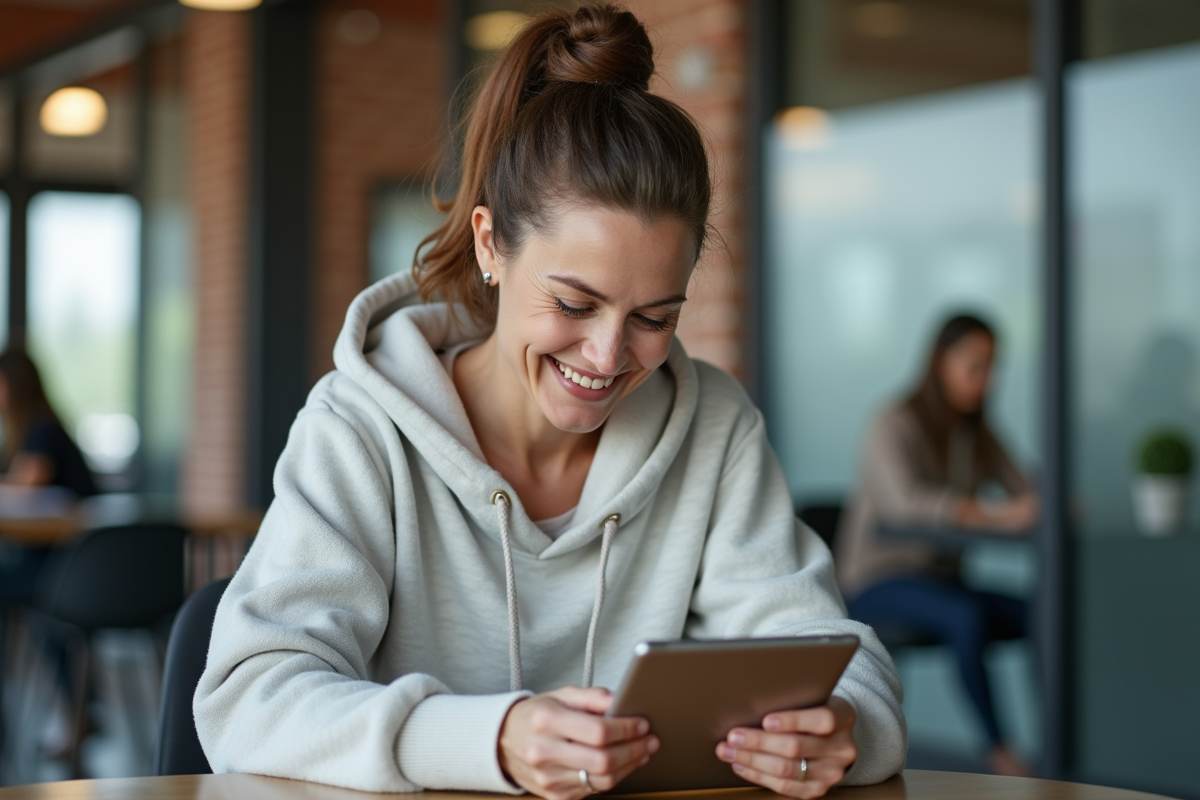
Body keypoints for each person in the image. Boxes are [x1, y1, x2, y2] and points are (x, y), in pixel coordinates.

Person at [195, 6, 905, 799]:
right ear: (491, 244)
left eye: (654, 318)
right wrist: (490, 739)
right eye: (573, 305)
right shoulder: (359, 430)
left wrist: (846, 725)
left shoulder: (712, 425)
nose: (607, 358)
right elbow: (248, 700)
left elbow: (831, 652)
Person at [834, 314, 1037, 777]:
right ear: (941, 363)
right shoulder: (893, 422)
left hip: (941, 580)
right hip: (877, 581)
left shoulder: (976, 432)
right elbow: (905, 504)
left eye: (992, 367)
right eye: (974, 365)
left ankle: (1061, 739)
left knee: (1042, 611)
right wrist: (995, 513)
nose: (986, 380)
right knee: (968, 618)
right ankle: (999, 750)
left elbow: (1021, 488)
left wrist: (1048, 499)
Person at [0, 348, 98, 605]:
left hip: (68, 565)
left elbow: (29, 482)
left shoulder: (42, 429)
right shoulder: (32, 430)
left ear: (14, 385)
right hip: (73, 561)